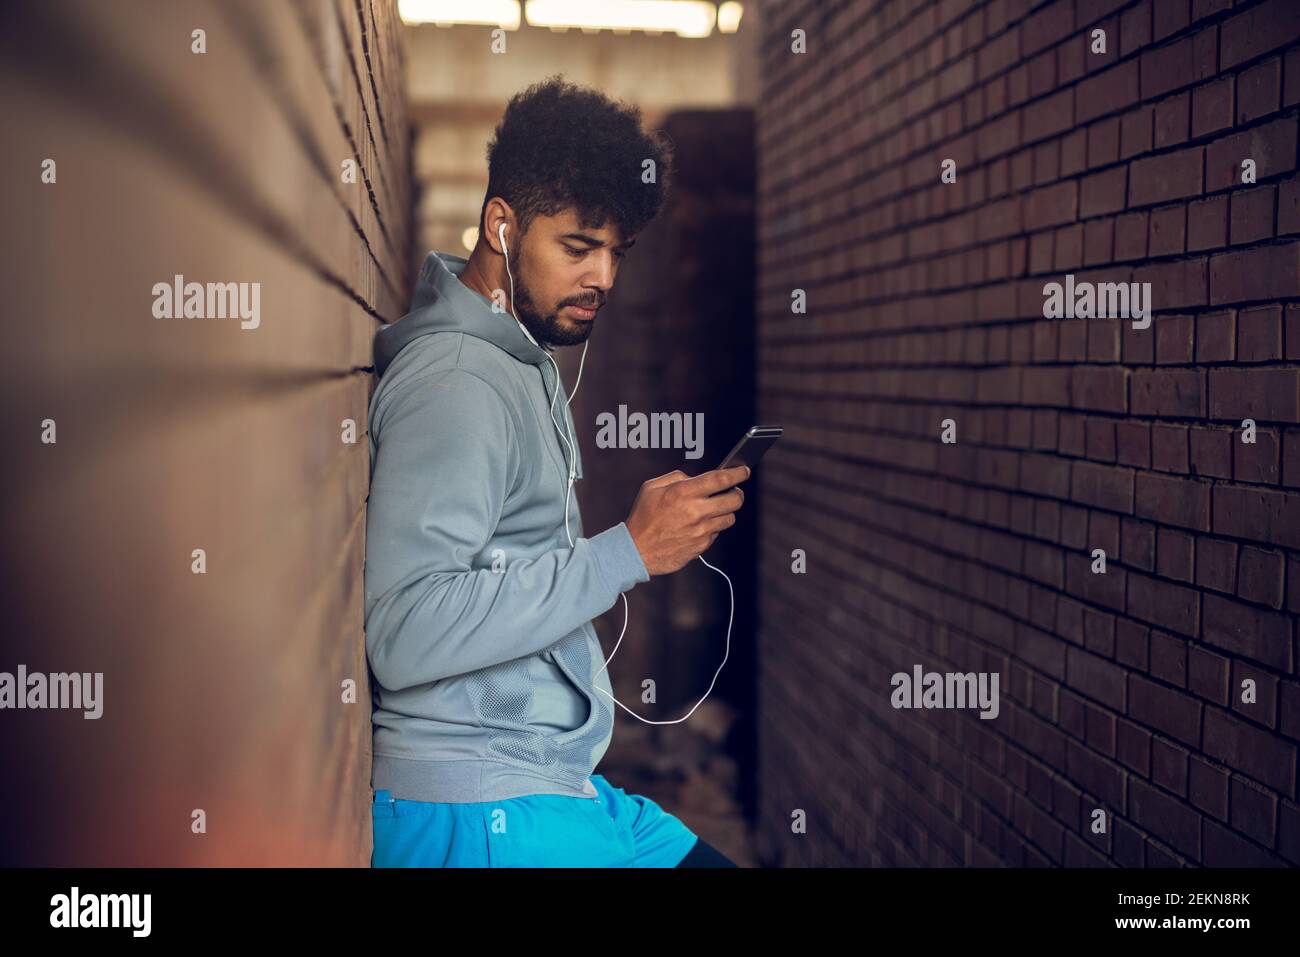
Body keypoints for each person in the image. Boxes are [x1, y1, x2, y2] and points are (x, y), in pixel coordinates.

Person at [364, 75, 746, 867]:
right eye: (578, 247)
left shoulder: (519, 357)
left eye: (617, 251)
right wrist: (626, 552)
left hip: (555, 778)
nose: (603, 277)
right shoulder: (457, 385)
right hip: (478, 807)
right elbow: (402, 630)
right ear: (501, 225)